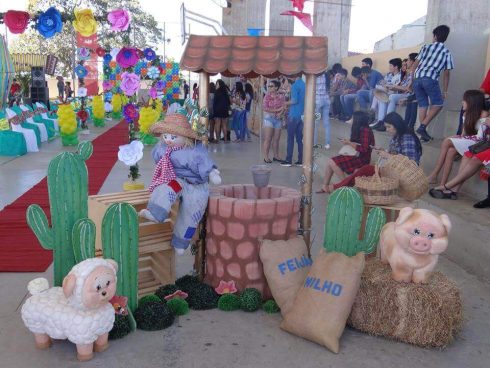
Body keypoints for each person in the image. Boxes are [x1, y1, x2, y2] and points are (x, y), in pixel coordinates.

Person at [321, 112, 422, 193]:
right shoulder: (396, 137)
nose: (387, 130)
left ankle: (339, 187)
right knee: (363, 171)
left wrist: (387, 155)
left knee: (364, 170)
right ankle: (341, 187)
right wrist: (383, 150)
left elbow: (411, 163)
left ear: (397, 125)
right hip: (391, 168)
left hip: (403, 174)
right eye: (386, 127)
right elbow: (395, 154)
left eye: (389, 127)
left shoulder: (407, 138)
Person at [428, 90, 487, 186]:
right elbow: (464, 134)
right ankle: (443, 184)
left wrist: (456, 139)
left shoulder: (483, 114)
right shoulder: (466, 114)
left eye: (465, 100)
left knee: (447, 141)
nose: (462, 102)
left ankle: (434, 174)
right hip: (470, 141)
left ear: (472, 101)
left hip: (479, 143)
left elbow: (481, 137)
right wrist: (457, 137)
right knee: (451, 150)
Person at [412, 25, 454, 142]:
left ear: (435, 36)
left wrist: (412, 81)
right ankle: (422, 127)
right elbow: (447, 73)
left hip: (417, 79)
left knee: (423, 105)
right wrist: (445, 90)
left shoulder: (425, 47)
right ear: (445, 37)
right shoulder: (446, 52)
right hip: (430, 79)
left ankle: (423, 134)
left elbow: (414, 66)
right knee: (439, 104)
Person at [430, 117, 490, 199]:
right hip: (485, 144)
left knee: (475, 159)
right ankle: (454, 191)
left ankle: (446, 186)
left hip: (485, 144)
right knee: (467, 154)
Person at [316, 111, 375, 193]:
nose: (351, 119)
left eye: (352, 118)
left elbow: (364, 149)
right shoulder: (358, 129)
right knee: (330, 162)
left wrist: (349, 143)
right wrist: (348, 142)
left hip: (362, 158)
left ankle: (346, 184)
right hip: (356, 155)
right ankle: (324, 186)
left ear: (357, 120)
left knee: (332, 162)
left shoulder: (366, 130)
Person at [371, 58, 404, 131]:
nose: (389, 67)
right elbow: (382, 82)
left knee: (381, 95)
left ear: (396, 67)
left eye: (391, 66)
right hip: (387, 93)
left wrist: (386, 87)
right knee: (379, 95)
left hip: (395, 93)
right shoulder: (389, 75)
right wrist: (383, 85)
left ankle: (380, 119)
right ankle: (381, 121)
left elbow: (397, 88)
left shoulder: (400, 76)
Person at [281, 75, 305, 167]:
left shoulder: (295, 86)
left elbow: (294, 101)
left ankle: (288, 160)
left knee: (290, 138)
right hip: (301, 114)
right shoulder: (304, 84)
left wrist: (285, 103)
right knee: (299, 139)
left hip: (294, 114)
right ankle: (300, 160)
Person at [262, 80, 286, 163]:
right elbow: (265, 108)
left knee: (276, 139)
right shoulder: (267, 96)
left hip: (278, 119)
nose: (269, 87)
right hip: (269, 119)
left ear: (276, 87)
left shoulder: (281, 96)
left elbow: (284, 106)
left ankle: (276, 156)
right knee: (268, 139)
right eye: (268, 86)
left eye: (271, 86)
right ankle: (266, 157)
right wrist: (277, 110)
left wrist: (280, 112)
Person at [314, 69, 331, 150]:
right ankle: (327, 144)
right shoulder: (327, 75)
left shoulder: (315, 76)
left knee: (315, 123)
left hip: (318, 101)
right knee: (326, 123)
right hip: (326, 100)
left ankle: (314, 143)